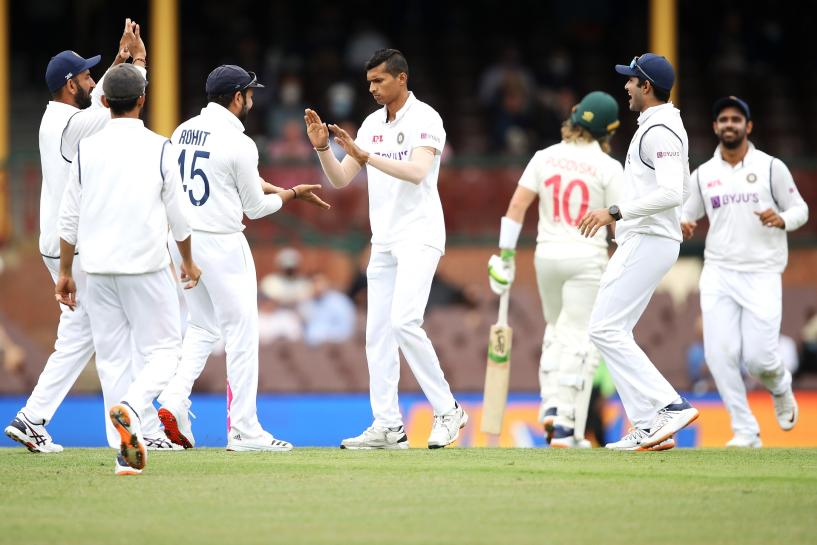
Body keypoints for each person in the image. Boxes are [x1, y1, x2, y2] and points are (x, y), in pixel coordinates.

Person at [2, 19, 163, 454]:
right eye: (86, 75)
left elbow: (107, 95)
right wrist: (137, 62)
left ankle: (32, 418)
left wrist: (124, 60)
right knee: (114, 340)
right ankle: (131, 434)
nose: (92, 80)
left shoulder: (63, 117)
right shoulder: (69, 124)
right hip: (71, 246)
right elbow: (117, 100)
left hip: (63, 244)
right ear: (71, 84)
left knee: (80, 338)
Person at [156, 65, 329, 452]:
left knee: (202, 327)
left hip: (182, 239)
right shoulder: (240, 142)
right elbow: (256, 206)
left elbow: (228, 180)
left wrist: (286, 189)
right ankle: (245, 431)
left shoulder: (181, 131)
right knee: (242, 334)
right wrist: (291, 194)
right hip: (221, 243)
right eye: (249, 94)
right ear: (237, 98)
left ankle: (172, 400)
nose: (251, 100)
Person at [304, 48, 467, 449]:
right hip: (385, 240)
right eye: (369, 83)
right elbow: (342, 178)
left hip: (420, 234)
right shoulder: (371, 124)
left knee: (404, 322)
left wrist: (366, 155)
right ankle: (388, 426)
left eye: (379, 81)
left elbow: (417, 172)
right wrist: (324, 149)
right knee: (377, 333)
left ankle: (449, 411)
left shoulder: (426, 118)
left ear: (401, 78)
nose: (373, 89)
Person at [55, 64, 201, 475]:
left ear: (103, 102)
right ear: (142, 100)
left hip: (96, 269)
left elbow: (69, 218)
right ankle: (134, 409)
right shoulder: (160, 148)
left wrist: (65, 272)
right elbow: (180, 217)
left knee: (113, 360)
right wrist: (188, 261)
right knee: (168, 349)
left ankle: (126, 455)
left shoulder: (86, 150)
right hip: (146, 266)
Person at [488, 91, 624, 448]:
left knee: (556, 329)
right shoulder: (610, 168)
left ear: (575, 118)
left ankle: (549, 405)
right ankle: (565, 424)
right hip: (586, 258)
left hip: (546, 256)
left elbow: (516, 207)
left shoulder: (544, 156)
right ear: (609, 130)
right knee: (580, 338)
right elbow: (620, 225)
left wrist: (504, 255)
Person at [577, 53, 699, 451]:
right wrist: (670, 218)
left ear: (646, 86)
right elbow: (678, 191)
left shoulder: (659, 129)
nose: (626, 86)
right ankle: (648, 424)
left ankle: (668, 405)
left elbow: (668, 192)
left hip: (647, 239)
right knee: (613, 330)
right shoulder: (661, 125)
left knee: (603, 328)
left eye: (631, 80)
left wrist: (614, 211)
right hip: (650, 238)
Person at [681, 96, 806, 448]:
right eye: (724, 119)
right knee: (718, 355)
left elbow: (801, 209)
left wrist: (782, 218)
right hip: (719, 270)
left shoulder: (771, 167)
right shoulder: (704, 174)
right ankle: (745, 430)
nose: (730, 124)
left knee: (758, 359)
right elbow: (685, 215)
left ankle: (779, 385)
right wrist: (684, 225)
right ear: (715, 127)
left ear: (748, 126)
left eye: (737, 119)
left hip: (762, 272)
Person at [299, 273, 356, 346]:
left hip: (333, 345)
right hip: (311, 347)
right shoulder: (308, 302)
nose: (317, 286)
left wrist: (327, 337)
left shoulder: (339, 302)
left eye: (319, 282)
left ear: (326, 283)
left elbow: (346, 329)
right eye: (314, 283)